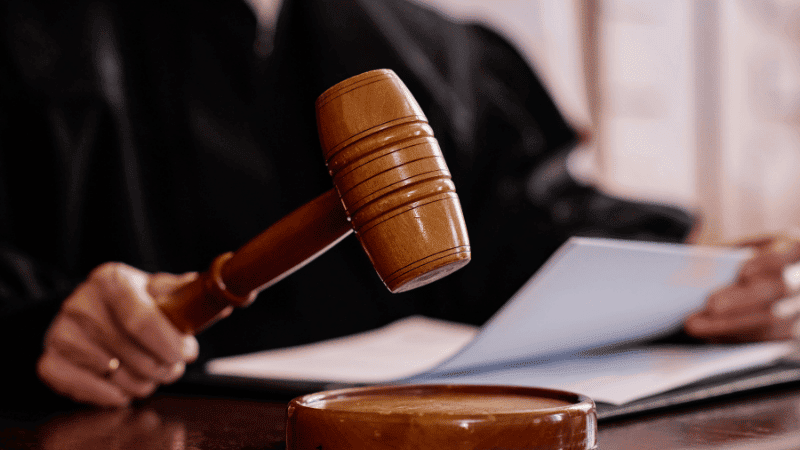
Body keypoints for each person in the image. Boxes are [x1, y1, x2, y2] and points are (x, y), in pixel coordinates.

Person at [0, 0, 694, 408]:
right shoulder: (33, 35)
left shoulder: (426, 48)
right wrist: (51, 325)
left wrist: (704, 282)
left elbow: (536, 228)